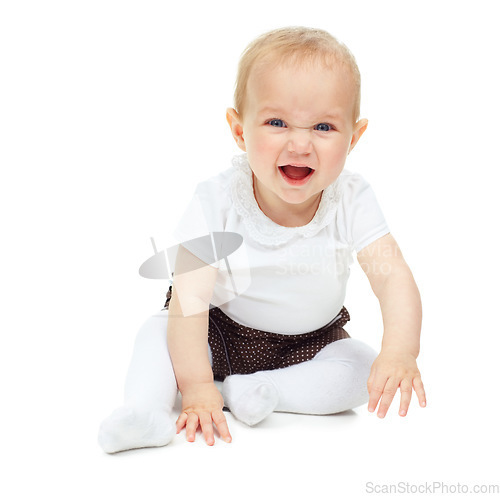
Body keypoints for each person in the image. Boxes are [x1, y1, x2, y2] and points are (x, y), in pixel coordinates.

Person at [98, 26, 426, 454]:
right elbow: (190, 299)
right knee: (154, 333)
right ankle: (146, 411)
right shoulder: (216, 199)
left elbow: (393, 277)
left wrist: (400, 351)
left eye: (324, 127)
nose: (300, 143)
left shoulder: (352, 198)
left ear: (354, 137)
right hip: (216, 332)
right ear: (239, 130)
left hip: (310, 344)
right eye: (277, 122)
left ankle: (261, 390)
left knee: (361, 368)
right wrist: (196, 388)